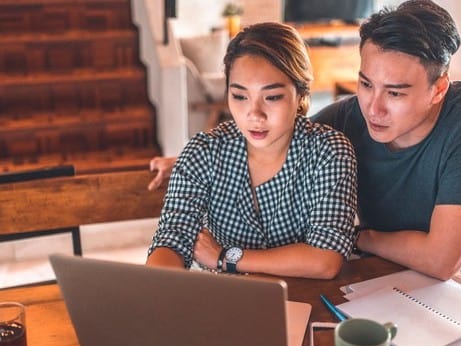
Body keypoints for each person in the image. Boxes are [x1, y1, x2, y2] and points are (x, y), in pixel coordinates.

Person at [147, 0, 461, 281]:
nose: (373, 107)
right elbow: (275, 137)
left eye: (395, 94)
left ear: (438, 89)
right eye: (365, 83)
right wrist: (187, 161)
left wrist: (357, 238)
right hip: (372, 278)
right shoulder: (348, 118)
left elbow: (442, 260)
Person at [145, 22, 358, 279]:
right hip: (228, 302)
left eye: (272, 97)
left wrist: (225, 257)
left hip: (307, 300)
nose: (254, 115)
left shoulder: (329, 152)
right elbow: (172, 238)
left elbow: (325, 259)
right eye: (239, 96)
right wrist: (155, 289)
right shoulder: (203, 152)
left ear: (301, 93)